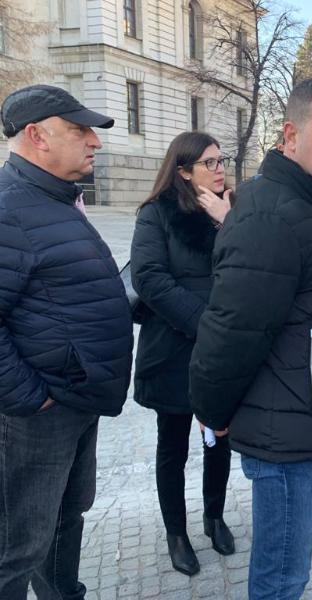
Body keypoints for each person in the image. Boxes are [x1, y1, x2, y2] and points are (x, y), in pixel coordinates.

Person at [189, 77, 312, 600]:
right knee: (282, 579)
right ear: (290, 135)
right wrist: (211, 409)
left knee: (285, 573)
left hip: (296, 421)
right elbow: (231, 331)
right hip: (284, 434)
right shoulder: (272, 212)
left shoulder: (298, 203)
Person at [0, 85, 133, 598]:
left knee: (64, 517)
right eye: (79, 130)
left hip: (75, 399)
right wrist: (31, 397)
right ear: (37, 135)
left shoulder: (53, 199)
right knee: (17, 547)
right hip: (37, 415)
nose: (94, 141)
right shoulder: (11, 208)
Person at [130, 132, 235, 576]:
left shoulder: (233, 210)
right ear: (184, 171)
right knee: (173, 446)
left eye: (221, 160)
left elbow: (252, 267)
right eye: (209, 162)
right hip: (174, 349)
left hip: (223, 351)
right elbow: (149, 277)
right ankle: (177, 533)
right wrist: (204, 324)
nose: (219, 168)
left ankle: (215, 516)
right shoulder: (156, 213)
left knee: (220, 438)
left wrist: (230, 222)